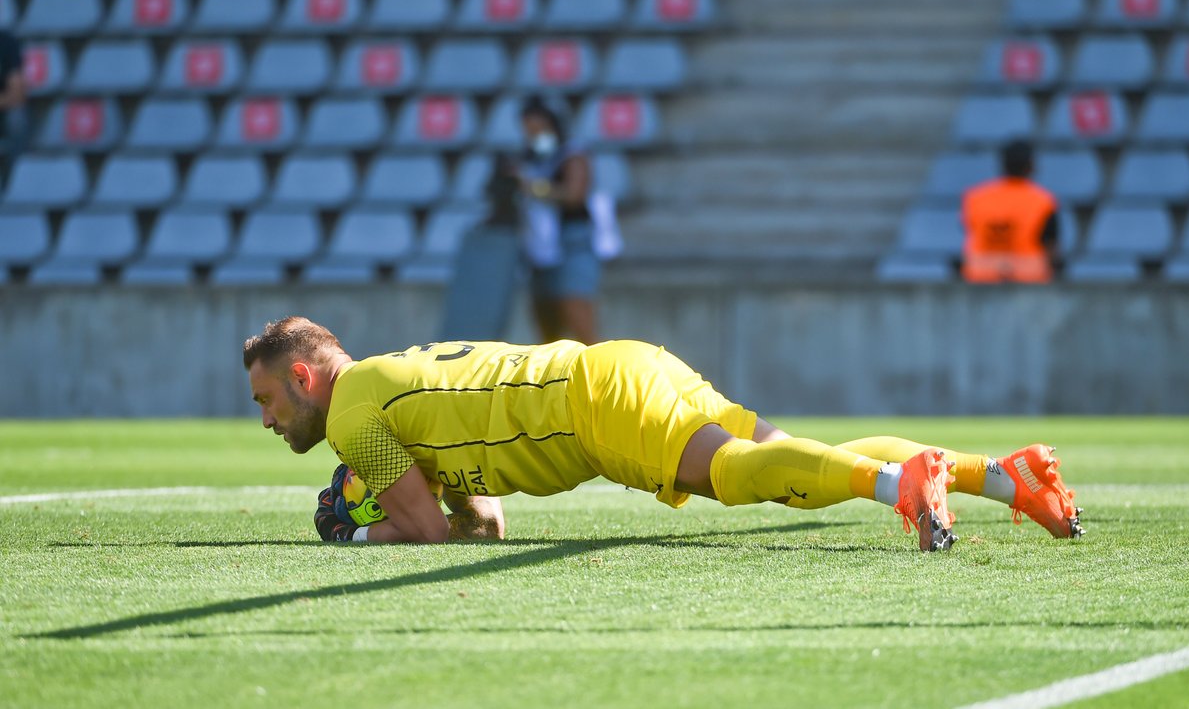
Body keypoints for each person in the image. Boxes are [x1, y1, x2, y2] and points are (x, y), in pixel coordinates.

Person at [242, 317, 1085, 552]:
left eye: (268, 399)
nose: (268, 418)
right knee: (786, 449)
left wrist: (358, 532)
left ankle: (897, 487)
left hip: (594, 404)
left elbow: (425, 532)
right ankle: (1001, 476)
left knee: (740, 475)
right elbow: (480, 521)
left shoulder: (350, 416)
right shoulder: (386, 381)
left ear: (304, 376)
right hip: (619, 364)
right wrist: (428, 502)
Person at [502, 96, 605, 345]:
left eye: (539, 129)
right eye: (528, 131)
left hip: (572, 243)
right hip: (539, 248)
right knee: (546, 320)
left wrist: (534, 188)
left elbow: (574, 194)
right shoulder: (529, 159)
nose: (533, 136)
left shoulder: (572, 155)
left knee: (576, 311)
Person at [962, 140, 1060, 283]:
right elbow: (1051, 246)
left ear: (1003, 165)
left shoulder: (975, 197)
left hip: (980, 278)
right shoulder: (1044, 200)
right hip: (1029, 280)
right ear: (1031, 166)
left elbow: (970, 229)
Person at [0, 29, 28, 166]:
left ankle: (16, 170)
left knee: (17, 118)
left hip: (4, 111)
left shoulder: (6, 42)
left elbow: (17, 96)